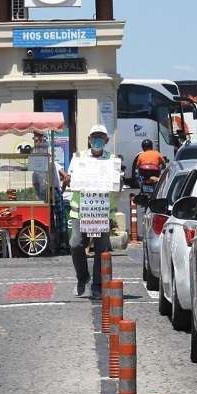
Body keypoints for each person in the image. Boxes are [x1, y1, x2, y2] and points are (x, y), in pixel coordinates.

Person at [67, 125, 120, 298]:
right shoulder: (78, 157)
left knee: (101, 249)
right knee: (75, 244)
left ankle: (98, 285)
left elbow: (116, 185)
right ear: (89, 140)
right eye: (94, 137)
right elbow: (70, 179)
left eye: (100, 137)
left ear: (106, 140)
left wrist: (117, 179)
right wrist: (69, 179)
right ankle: (82, 278)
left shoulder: (113, 160)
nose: (97, 140)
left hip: (101, 212)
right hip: (80, 211)